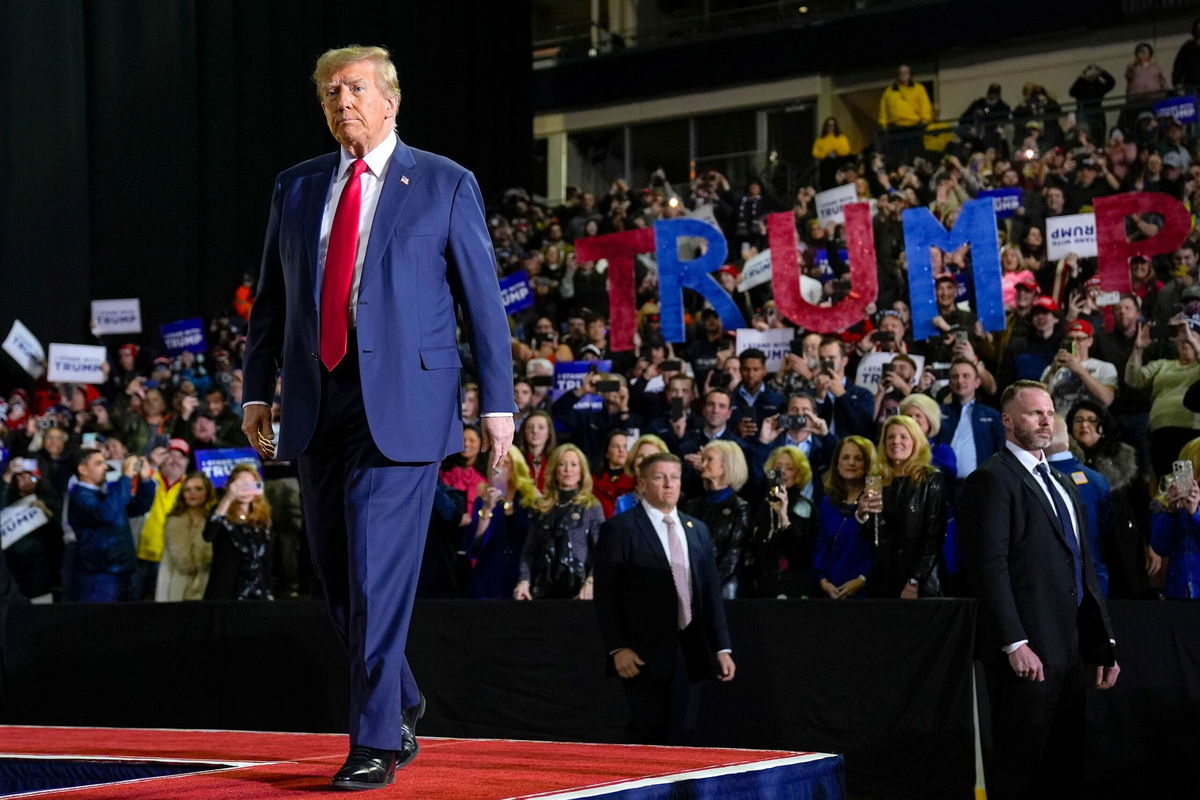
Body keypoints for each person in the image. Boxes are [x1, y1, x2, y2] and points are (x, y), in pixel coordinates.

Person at [240, 45, 515, 788]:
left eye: (355, 88)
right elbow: (270, 301)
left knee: (376, 571)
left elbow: (483, 305)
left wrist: (498, 404)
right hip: (313, 401)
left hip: (404, 405)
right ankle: (401, 697)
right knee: (337, 576)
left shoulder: (444, 183)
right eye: (330, 92)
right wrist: (254, 389)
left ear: (391, 98)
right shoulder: (294, 188)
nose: (342, 101)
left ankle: (374, 740)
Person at [959, 381, 1118, 798]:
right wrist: (1014, 642)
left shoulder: (1064, 483)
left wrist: (1103, 642)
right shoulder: (991, 480)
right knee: (1020, 767)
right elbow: (988, 567)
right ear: (1008, 421)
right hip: (1026, 651)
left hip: (1071, 649)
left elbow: (1084, 569)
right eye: (1034, 413)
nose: (1046, 420)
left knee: (1065, 766)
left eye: (1049, 412)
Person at [593, 453, 735, 745]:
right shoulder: (620, 529)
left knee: (685, 734)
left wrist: (721, 647)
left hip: (690, 650)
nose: (669, 484)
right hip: (641, 653)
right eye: (660, 477)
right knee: (647, 732)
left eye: (675, 477)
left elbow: (710, 594)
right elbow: (606, 596)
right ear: (642, 484)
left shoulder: (697, 530)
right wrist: (618, 648)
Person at [514, 444, 604, 600]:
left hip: (579, 592)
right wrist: (524, 580)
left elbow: (603, 552)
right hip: (543, 590)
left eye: (574, 465)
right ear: (555, 471)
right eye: (562, 464)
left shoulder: (591, 506)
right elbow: (528, 552)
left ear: (582, 472)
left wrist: (591, 582)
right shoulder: (540, 506)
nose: (568, 470)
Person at [67, 450, 156, 602]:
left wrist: (145, 479)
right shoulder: (79, 496)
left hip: (123, 572)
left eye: (104, 462)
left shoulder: (108, 493)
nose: (105, 468)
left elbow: (139, 507)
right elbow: (105, 514)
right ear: (82, 469)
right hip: (100, 577)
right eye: (98, 463)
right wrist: (126, 477)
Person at [874, 415, 947, 597]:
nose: (895, 441)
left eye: (903, 436)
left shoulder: (930, 479)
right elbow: (870, 535)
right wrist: (862, 515)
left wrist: (914, 581)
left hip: (919, 583)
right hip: (882, 580)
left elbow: (934, 538)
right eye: (890, 437)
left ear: (915, 441)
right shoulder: (877, 480)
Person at [1126, 317, 1200, 479]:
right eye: (1182, 337)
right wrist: (1138, 350)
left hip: (1190, 432)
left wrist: (1195, 344)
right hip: (1160, 432)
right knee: (1165, 482)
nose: (1186, 340)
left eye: (1192, 335)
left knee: (1187, 482)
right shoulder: (1164, 364)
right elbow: (1134, 380)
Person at [464, 447, 538, 600]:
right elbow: (474, 547)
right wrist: (488, 508)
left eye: (506, 463)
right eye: (497, 463)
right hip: (488, 577)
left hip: (520, 576)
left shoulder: (529, 499)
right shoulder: (483, 500)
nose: (501, 468)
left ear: (515, 467)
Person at [812, 436, 880, 600]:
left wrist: (862, 579)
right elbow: (821, 547)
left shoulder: (876, 501)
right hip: (829, 592)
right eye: (845, 457)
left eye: (858, 459)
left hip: (866, 592)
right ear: (837, 463)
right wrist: (823, 581)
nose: (851, 463)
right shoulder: (827, 503)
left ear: (868, 464)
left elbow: (879, 548)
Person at [745, 446, 817, 598]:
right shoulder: (762, 504)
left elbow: (802, 551)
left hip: (791, 586)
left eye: (789, 468)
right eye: (778, 467)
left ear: (798, 473)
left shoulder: (803, 505)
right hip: (761, 584)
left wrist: (784, 517)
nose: (782, 472)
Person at [681, 440, 750, 599]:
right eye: (702, 459)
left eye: (709, 459)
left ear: (726, 465)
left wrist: (708, 585)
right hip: (690, 587)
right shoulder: (692, 505)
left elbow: (733, 555)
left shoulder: (740, 508)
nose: (703, 464)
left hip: (723, 591)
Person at [203, 464, 273, 601]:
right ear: (230, 486)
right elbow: (208, 535)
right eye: (240, 485)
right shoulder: (220, 511)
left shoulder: (262, 517)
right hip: (226, 592)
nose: (245, 490)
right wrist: (227, 499)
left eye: (250, 485)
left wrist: (269, 592)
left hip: (257, 591)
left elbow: (265, 559)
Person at [937, 359, 1005, 483]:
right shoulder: (938, 412)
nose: (960, 380)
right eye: (955, 376)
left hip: (980, 486)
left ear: (977, 382)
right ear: (949, 382)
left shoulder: (992, 415)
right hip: (942, 485)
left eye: (966, 376)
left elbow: (1001, 451)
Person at [1149, 437, 1200, 599]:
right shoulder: (1169, 502)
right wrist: (1170, 512)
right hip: (1178, 594)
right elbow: (1159, 547)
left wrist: (1195, 514)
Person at [155, 472, 216, 601]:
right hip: (178, 590)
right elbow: (166, 567)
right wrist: (161, 601)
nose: (192, 493)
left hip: (209, 588)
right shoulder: (173, 523)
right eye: (187, 490)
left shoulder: (216, 521)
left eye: (198, 489)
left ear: (208, 492)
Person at [614, 434, 671, 516]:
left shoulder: (671, 498)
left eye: (651, 457)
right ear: (633, 461)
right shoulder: (623, 503)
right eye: (640, 456)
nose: (645, 461)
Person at [593, 430, 635, 518]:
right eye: (616, 446)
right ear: (607, 453)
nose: (621, 450)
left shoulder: (636, 480)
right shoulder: (593, 480)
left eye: (625, 447)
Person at [517, 410, 556, 491]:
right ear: (524, 432)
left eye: (541, 427)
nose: (535, 431)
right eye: (530, 427)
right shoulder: (515, 459)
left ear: (549, 433)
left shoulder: (557, 460)